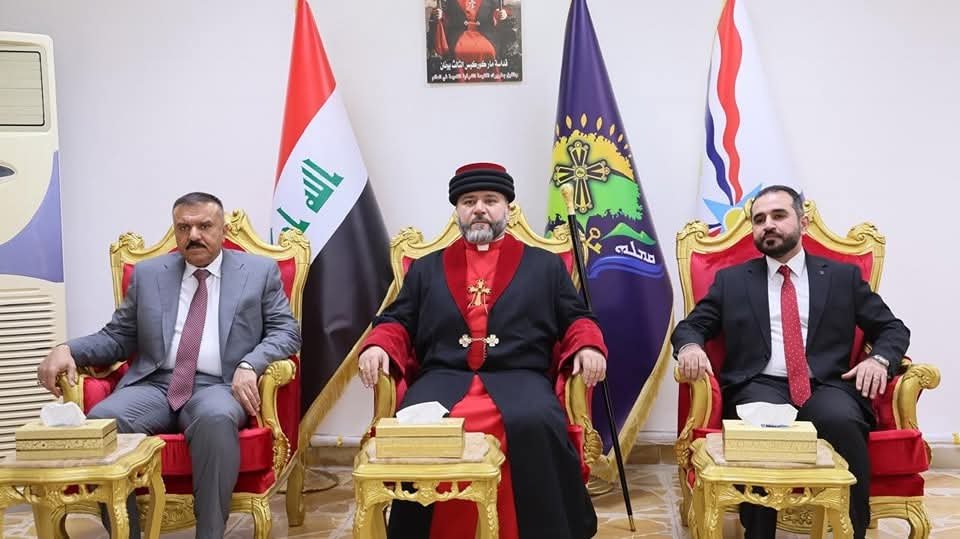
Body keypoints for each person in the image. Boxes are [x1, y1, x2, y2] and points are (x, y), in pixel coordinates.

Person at [357, 163, 606, 539]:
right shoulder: (426, 269)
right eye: (469, 201)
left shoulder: (545, 266)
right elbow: (397, 320)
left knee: (534, 421)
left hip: (520, 376)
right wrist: (378, 344)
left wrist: (587, 344)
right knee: (422, 426)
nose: (479, 209)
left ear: (507, 207)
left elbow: (577, 318)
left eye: (490, 200)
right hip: (443, 377)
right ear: (457, 210)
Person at [36, 192, 301, 539]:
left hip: (217, 386)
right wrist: (67, 349)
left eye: (205, 226)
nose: (194, 236)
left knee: (216, 420)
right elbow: (118, 337)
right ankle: (126, 533)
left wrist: (251, 364)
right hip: (156, 385)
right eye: (184, 228)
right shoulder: (149, 275)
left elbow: (286, 331)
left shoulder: (258, 272)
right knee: (102, 421)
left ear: (223, 230)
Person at [671, 185, 910, 539]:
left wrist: (879, 359)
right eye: (759, 219)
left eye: (779, 215)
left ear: (803, 222)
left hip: (826, 384)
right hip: (759, 384)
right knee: (761, 427)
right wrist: (691, 347)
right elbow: (691, 326)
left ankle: (853, 531)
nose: (768, 224)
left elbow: (892, 328)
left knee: (843, 421)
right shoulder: (732, 281)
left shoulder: (842, 277)